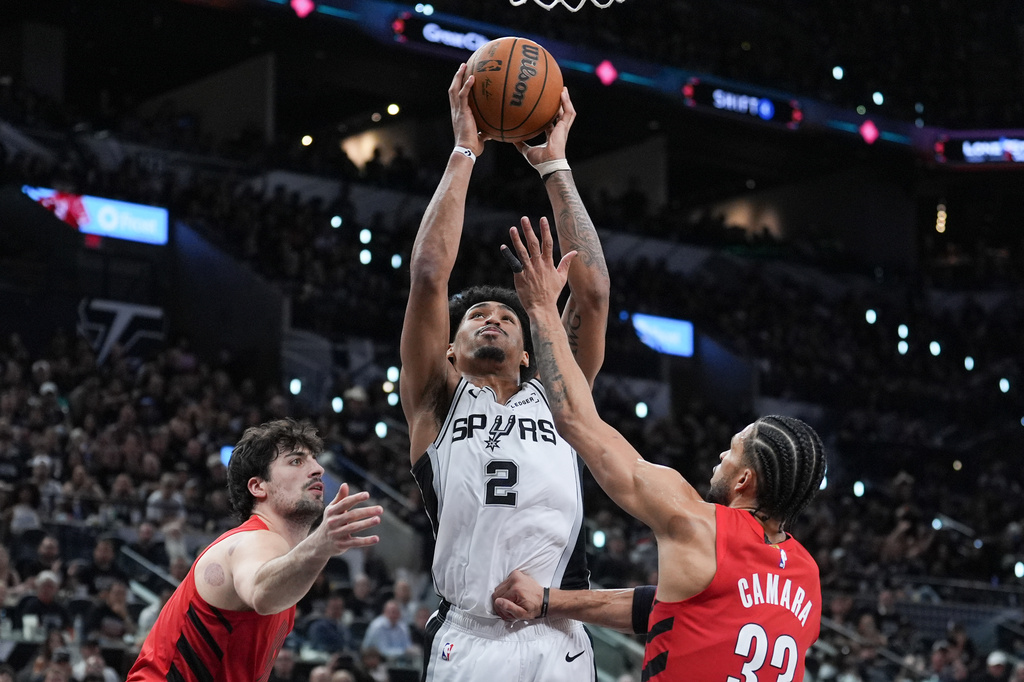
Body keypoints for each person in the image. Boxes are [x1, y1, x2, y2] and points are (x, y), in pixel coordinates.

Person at [492, 220, 827, 681]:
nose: (720, 459)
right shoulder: (808, 578)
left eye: (731, 452)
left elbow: (572, 417)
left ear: (746, 480)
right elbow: (669, 606)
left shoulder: (697, 524)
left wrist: (540, 309)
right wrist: (549, 602)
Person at [400, 64, 609, 680]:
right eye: (477, 318)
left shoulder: (560, 397)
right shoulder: (435, 402)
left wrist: (555, 168)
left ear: (528, 351)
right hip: (470, 637)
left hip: (559, 632)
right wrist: (466, 148)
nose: (492, 320)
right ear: (447, 349)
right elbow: (430, 276)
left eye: (506, 318)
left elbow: (593, 291)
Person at [125, 419, 383, 682]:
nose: (317, 469)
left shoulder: (284, 565)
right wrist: (320, 544)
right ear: (258, 486)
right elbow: (261, 591)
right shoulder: (254, 540)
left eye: (314, 460)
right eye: (296, 461)